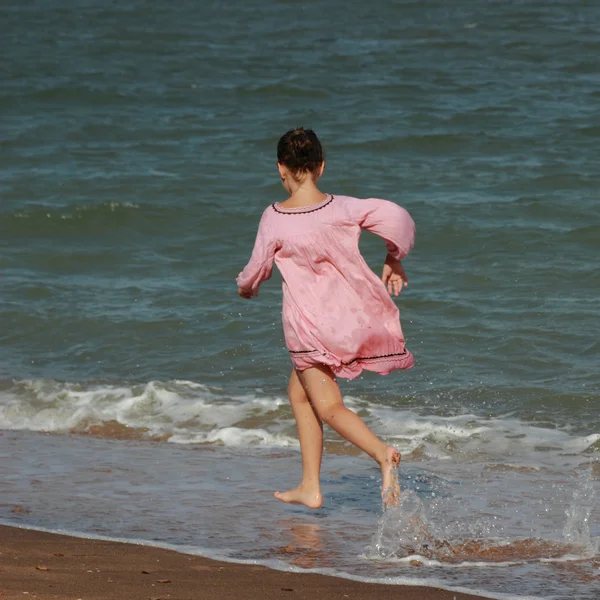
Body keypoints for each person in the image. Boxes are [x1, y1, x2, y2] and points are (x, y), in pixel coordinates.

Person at [237, 128, 415, 509]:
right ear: (321, 166)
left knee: (328, 406)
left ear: (280, 169)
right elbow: (397, 217)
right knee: (298, 394)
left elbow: (256, 268)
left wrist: (246, 287)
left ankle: (382, 453)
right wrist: (393, 255)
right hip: (345, 322)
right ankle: (309, 486)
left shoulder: (274, 217)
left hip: (307, 330)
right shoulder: (344, 208)